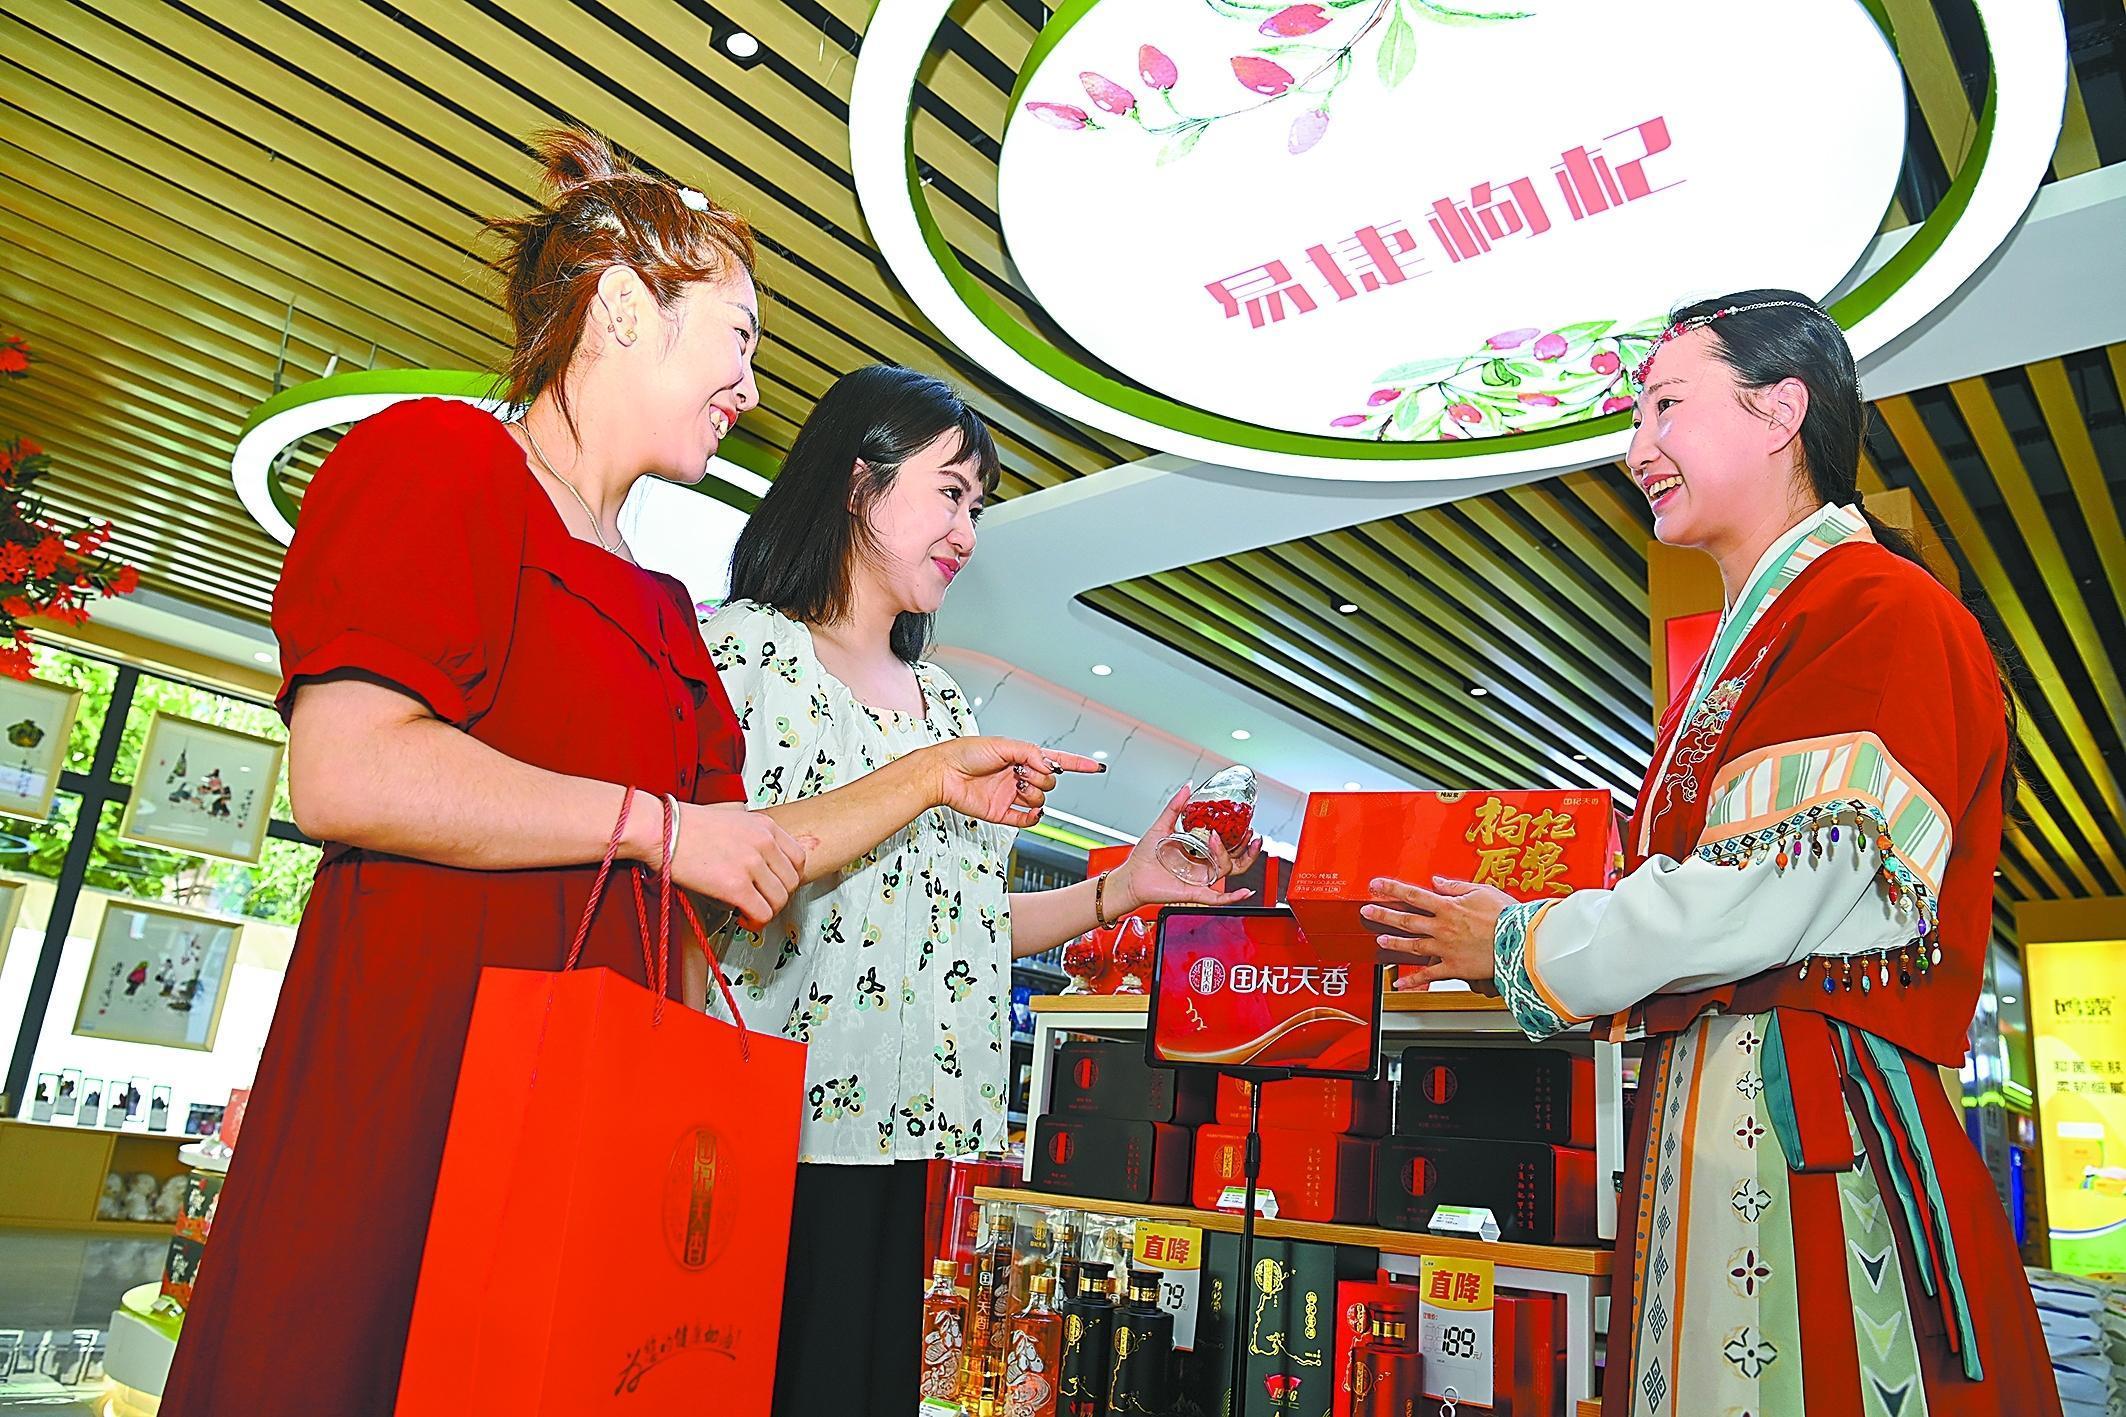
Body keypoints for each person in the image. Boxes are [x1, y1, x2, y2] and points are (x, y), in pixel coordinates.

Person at [161, 129, 1072, 1416]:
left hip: (594, 1123)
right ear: (627, 308)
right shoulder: (440, 461)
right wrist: (659, 826)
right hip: (425, 1074)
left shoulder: (659, 604)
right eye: (739, 339)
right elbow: (347, 768)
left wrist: (926, 780)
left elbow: (741, 855)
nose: (748, 386)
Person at [1363, 293, 2060, 1414]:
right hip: (1723, 1106)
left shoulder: (1877, 606)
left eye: (1665, 407)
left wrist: (1520, 937)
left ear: (1780, 410)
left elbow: (1759, 894)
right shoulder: (1769, 630)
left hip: (1805, 1122)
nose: (1636, 449)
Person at [705, 362, 1263, 1417]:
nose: (967, 531)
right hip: (762, 1129)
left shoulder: (943, 701)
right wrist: (921, 778)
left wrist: (1120, 888)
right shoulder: (746, 655)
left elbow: (957, 931)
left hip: (896, 1136)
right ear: (858, 483)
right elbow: (735, 860)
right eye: (951, 492)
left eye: (978, 505)